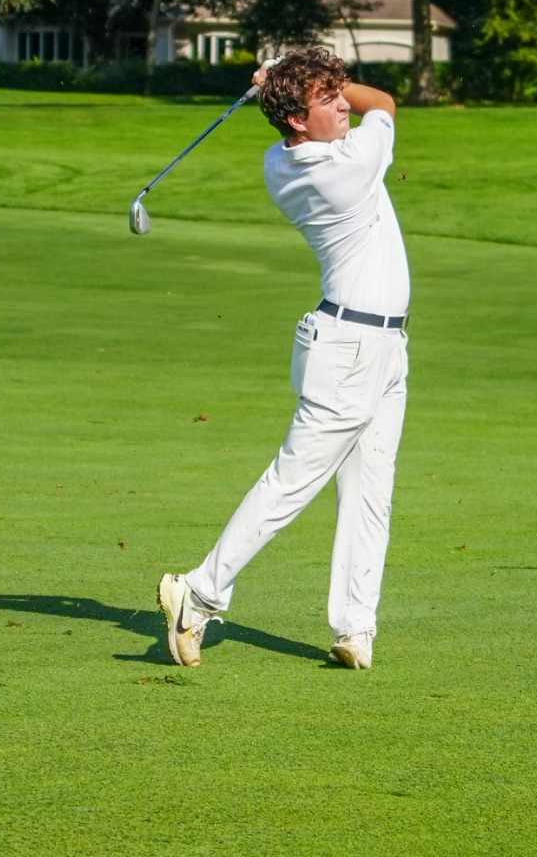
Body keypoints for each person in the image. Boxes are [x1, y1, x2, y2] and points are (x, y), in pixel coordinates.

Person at [157, 47, 411, 671]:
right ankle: (200, 592)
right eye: (329, 100)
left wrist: (291, 81)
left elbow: (339, 108)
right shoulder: (348, 165)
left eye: (337, 94)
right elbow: (386, 103)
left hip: (378, 346)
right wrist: (308, 77)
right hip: (350, 348)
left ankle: (356, 627)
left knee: (370, 492)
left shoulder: (280, 158)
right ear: (298, 119)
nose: (344, 105)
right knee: (294, 481)